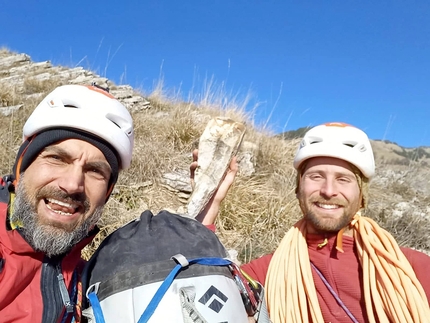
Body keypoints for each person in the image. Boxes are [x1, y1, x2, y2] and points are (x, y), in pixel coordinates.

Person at [0, 83, 241, 323]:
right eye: (57, 158)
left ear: (107, 192)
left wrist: (197, 226)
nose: (73, 184)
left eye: (95, 171)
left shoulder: (89, 278)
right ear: (22, 167)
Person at [204, 122, 430, 323]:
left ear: (362, 195)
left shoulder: (412, 269)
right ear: (298, 188)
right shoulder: (266, 273)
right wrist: (209, 204)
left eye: (343, 179)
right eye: (316, 176)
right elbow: (202, 297)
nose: (329, 191)